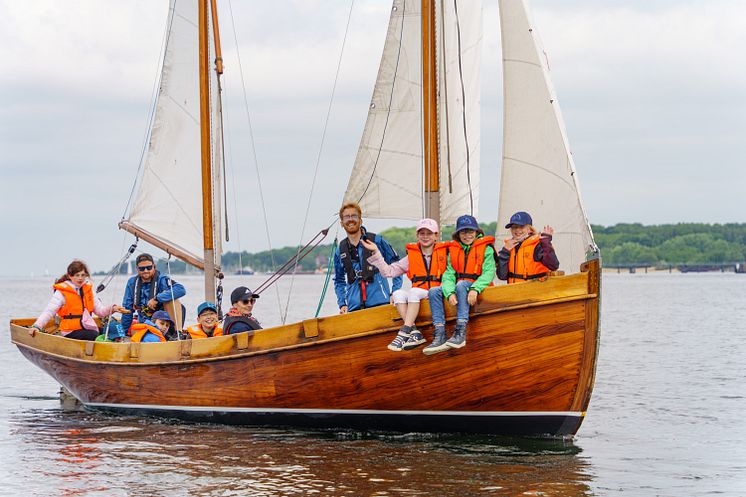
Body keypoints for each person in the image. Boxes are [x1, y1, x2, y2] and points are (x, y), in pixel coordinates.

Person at [361, 218, 449, 352]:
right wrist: (376, 252)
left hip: (437, 293)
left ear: (436, 236)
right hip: (419, 295)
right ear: (417, 235)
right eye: (422, 233)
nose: (425, 237)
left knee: (413, 291)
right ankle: (414, 332)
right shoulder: (411, 257)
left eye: (429, 233)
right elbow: (388, 272)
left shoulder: (445, 254)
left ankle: (404, 330)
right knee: (397, 294)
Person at [423, 215, 496, 355]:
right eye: (463, 232)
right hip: (459, 287)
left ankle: (460, 332)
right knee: (433, 291)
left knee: (462, 284)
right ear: (458, 234)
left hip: (477, 286)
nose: (467, 235)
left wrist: (475, 289)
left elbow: (489, 272)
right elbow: (449, 274)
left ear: (476, 232)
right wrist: (449, 293)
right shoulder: (454, 250)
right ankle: (440, 334)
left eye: (470, 232)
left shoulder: (486, 249)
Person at [31, 260, 127, 341]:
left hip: (87, 327)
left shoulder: (89, 290)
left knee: (111, 330)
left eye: (83, 275)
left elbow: (100, 311)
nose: (80, 278)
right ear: (70, 276)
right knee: (93, 335)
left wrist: (113, 308)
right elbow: (49, 312)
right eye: (77, 275)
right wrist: (37, 326)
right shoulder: (61, 293)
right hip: (70, 331)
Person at [333, 202, 402, 313]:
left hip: (381, 304)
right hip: (354, 309)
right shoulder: (340, 250)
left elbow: (397, 266)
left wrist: (395, 293)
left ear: (360, 220)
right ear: (342, 223)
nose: (350, 220)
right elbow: (339, 280)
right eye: (346, 217)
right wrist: (342, 304)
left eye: (354, 216)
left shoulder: (376, 241)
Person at [120, 253, 186, 334]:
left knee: (173, 298)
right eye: (142, 268)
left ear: (154, 267)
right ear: (137, 269)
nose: (145, 271)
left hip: (164, 325)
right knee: (131, 329)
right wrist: (122, 334)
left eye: (149, 267)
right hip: (145, 324)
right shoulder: (132, 283)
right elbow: (127, 309)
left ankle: (177, 333)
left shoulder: (162, 279)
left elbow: (181, 289)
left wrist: (157, 298)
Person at [496, 211, 559, 284]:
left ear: (529, 229)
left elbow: (554, 266)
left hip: (535, 291)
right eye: (514, 227)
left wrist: (546, 243)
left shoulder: (538, 245)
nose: (517, 230)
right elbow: (502, 276)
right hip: (514, 292)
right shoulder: (508, 247)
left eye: (521, 227)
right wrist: (505, 251)